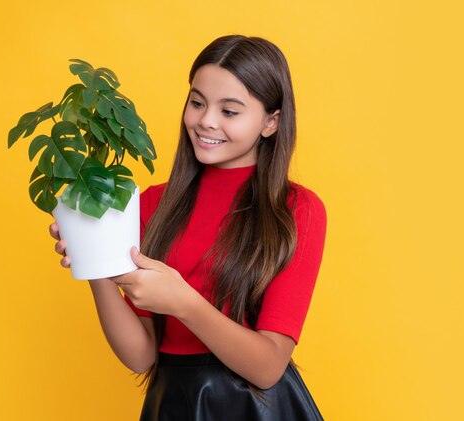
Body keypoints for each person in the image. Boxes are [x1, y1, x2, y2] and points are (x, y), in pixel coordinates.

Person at [49, 35, 327, 420]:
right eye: (197, 102)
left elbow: (268, 367)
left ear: (271, 122)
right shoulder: (150, 204)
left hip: (260, 410)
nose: (205, 121)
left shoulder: (296, 209)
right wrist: (93, 259)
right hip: (175, 404)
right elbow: (141, 355)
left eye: (229, 111)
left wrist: (182, 301)